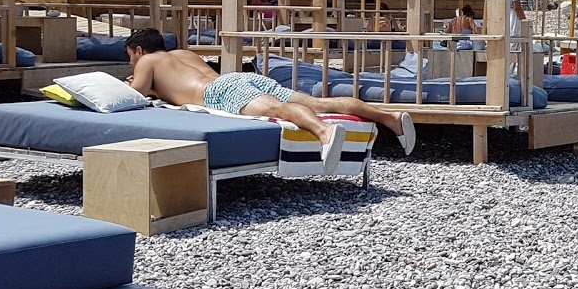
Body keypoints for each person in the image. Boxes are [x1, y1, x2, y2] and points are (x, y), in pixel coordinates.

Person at [123, 28, 414, 175]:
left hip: (220, 93)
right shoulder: (184, 53)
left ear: (138, 50)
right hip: (239, 79)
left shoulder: (147, 60)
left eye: (130, 57)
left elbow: (135, 93)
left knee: (277, 110)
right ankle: (391, 118)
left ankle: (325, 133)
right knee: (321, 102)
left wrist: (132, 82)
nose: (132, 62)